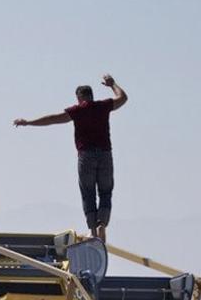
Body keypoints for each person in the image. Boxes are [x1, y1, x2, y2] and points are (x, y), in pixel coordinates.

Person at [13, 75, 127, 243]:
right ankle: (102, 223)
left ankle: (93, 230)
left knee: (88, 192)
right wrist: (112, 84)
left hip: (86, 156)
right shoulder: (103, 106)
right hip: (105, 154)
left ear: (79, 98)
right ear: (91, 96)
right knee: (105, 191)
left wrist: (28, 122)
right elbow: (123, 98)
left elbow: (52, 119)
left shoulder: (77, 111)